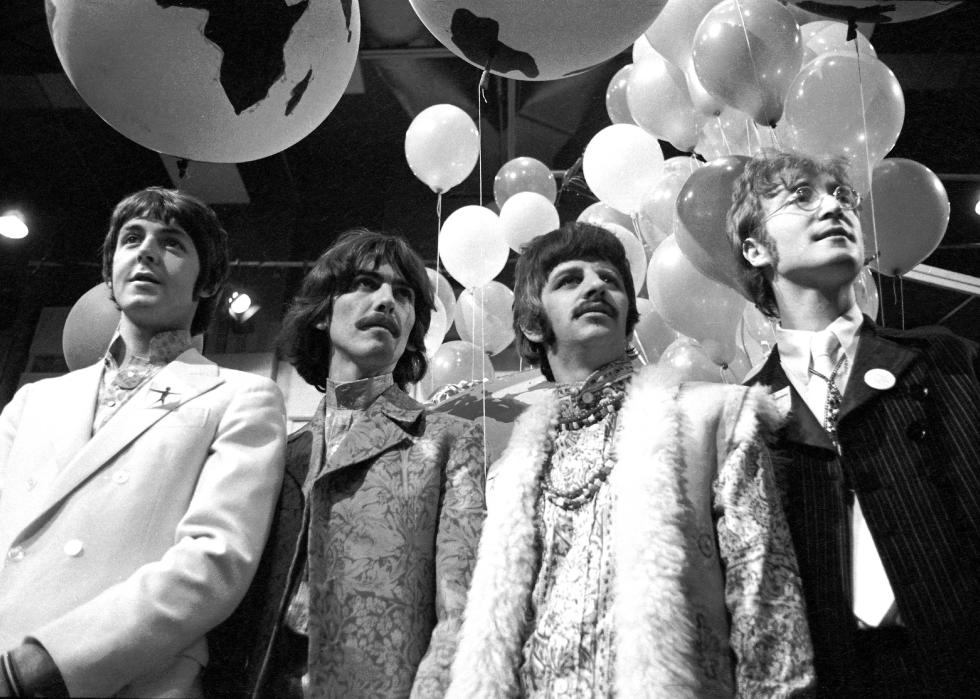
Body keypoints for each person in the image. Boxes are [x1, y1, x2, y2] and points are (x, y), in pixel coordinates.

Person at [448, 222, 813, 698]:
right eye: (569, 280)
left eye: (610, 279)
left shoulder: (712, 417)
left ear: (628, 316)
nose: (596, 285)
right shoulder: (506, 475)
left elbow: (767, 602)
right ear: (533, 324)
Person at [0, 187, 286, 697]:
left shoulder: (242, 396)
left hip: (125, 679)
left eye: (173, 243)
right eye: (133, 238)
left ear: (208, 281)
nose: (147, 251)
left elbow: (213, 560)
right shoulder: (34, 400)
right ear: (111, 270)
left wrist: (48, 663)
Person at [730, 150, 980, 696]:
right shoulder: (741, 415)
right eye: (800, 195)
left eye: (843, 196)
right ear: (755, 249)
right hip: (835, 677)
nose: (833, 206)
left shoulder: (946, 359)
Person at [207, 230, 486, 698]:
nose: (385, 300)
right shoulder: (275, 450)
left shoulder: (447, 441)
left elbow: (463, 610)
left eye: (403, 294)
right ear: (323, 313)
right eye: (364, 283)